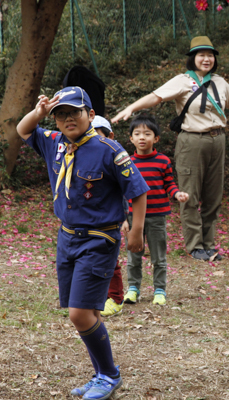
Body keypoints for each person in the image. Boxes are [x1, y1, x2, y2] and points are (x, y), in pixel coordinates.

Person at [16, 87, 149, 400]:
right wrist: (38, 111)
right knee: (86, 311)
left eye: (74, 112)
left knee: (79, 314)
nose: (67, 119)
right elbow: (23, 129)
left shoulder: (109, 149)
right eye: (60, 115)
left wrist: (137, 230)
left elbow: (138, 190)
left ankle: (110, 375)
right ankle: (101, 373)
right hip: (67, 239)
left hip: (98, 240)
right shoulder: (54, 144)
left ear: (90, 115)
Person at [112, 36, 229, 261]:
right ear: (193, 58)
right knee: (190, 193)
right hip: (191, 141)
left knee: (213, 194)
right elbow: (155, 97)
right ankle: (195, 245)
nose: (206, 59)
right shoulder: (182, 81)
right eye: (201, 55)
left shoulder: (220, 82)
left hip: (218, 139)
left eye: (210, 55)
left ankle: (208, 243)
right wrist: (131, 107)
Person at [121, 114, 189, 306]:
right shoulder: (126, 163)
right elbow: (123, 192)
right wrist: (123, 218)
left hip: (157, 217)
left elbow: (169, 184)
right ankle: (133, 289)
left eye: (147, 133)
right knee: (133, 255)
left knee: (159, 256)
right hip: (133, 217)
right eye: (137, 134)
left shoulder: (163, 161)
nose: (142, 137)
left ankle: (159, 290)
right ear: (131, 139)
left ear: (156, 138)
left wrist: (177, 195)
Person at [90, 116, 128, 318]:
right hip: (87, 220)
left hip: (109, 221)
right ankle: (97, 296)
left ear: (110, 136)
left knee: (110, 260)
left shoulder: (116, 157)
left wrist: (126, 219)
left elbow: (127, 191)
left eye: (97, 134)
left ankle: (115, 298)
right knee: (89, 261)